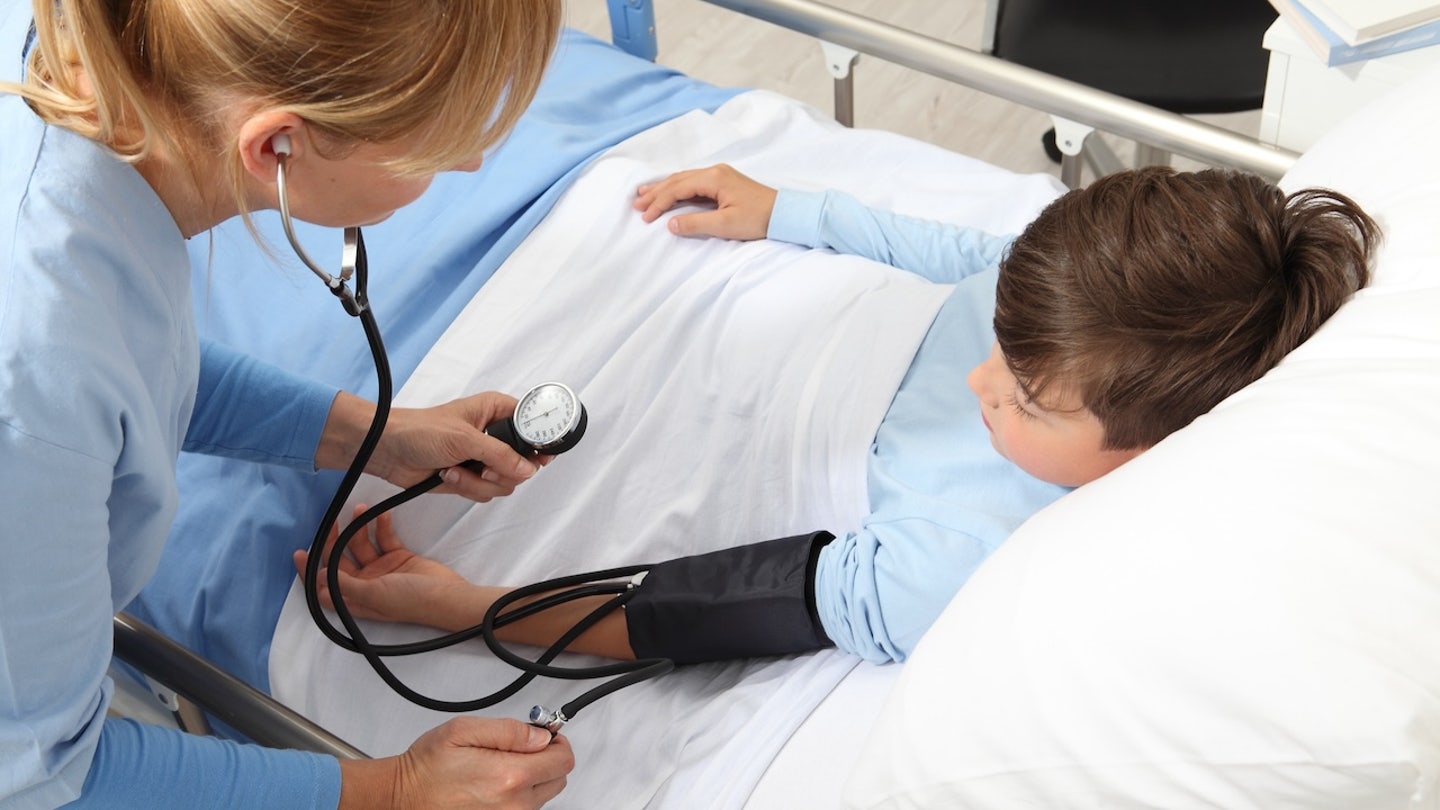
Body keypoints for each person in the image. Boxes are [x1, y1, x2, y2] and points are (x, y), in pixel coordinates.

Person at [296, 162, 1377, 672]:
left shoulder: (959, 558)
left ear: (1144, 455)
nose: (979, 382)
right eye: (1001, 349)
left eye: (1025, 401)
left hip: (695, 424)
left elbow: (697, 608)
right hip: (690, 285)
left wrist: (465, 605)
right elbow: (977, 264)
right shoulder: (1075, 321)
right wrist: (791, 211)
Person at [0, 1, 577, 808]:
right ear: (276, 145)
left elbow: (129, 362)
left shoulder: (64, 59)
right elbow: (42, 780)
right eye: (437, 141)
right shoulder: (33, 371)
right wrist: (395, 789)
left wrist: (373, 436)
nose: (474, 162)